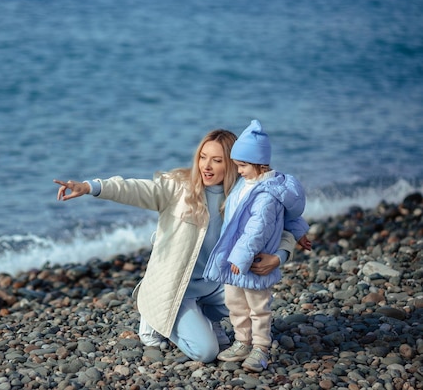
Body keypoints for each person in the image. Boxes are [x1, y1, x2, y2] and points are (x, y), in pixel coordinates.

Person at [54, 128, 305, 363]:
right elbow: (133, 189)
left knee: (250, 304)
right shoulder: (178, 188)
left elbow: (278, 224)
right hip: (178, 287)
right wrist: (90, 187)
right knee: (206, 352)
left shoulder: (244, 194)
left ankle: (206, 317)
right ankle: (155, 317)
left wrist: (280, 256)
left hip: (217, 283)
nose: (206, 166)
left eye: (216, 160)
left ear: (233, 163)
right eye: (203, 157)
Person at [203, 119, 310, 372]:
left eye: (242, 165)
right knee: (235, 305)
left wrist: (241, 257)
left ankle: (260, 348)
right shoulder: (245, 183)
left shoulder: (266, 195)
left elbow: (256, 231)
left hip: (253, 261)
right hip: (236, 261)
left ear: (259, 164)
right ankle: (242, 341)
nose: (237, 170)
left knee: (259, 308)